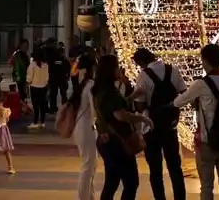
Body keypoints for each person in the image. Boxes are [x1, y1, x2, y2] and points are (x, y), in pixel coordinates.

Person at [173, 43, 219, 200]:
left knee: (207, 186)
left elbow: (177, 102)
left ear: (205, 60)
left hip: (207, 141)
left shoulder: (200, 84)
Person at [92, 54, 153, 200]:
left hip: (107, 139)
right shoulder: (109, 91)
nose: (120, 70)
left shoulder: (101, 90)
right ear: (110, 70)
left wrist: (131, 97)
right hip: (117, 142)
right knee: (131, 182)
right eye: (117, 67)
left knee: (112, 181)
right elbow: (119, 115)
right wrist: (143, 119)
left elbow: (113, 109)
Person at [132, 47, 187, 200]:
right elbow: (184, 93)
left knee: (155, 170)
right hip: (170, 125)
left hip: (151, 127)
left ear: (141, 62)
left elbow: (140, 105)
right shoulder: (173, 70)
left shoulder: (144, 75)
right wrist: (172, 107)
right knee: (175, 167)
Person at [71, 54, 97, 200]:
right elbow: (94, 110)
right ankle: (83, 197)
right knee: (88, 166)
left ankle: (89, 196)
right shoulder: (91, 84)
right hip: (87, 127)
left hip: (81, 126)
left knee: (90, 165)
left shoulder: (81, 82)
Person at [27, 48, 50, 129]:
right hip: (43, 87)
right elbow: (47, 77)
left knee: (35, 106)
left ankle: (35, 122)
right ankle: (42, 122)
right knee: (42, 105)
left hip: (34, 87)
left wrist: (28, 82)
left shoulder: (32, 65)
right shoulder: (46, 65)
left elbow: (29, 77)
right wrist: (45, 84)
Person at [49, 44, 71, 113]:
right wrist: (68, 76)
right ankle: (63, 108)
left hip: (54, 78)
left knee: (54, 94)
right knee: (63, 94)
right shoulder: (64, 60)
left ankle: (53, 108)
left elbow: (50, 68)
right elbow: (68, 68)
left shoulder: (53, 59)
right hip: (61, 78)